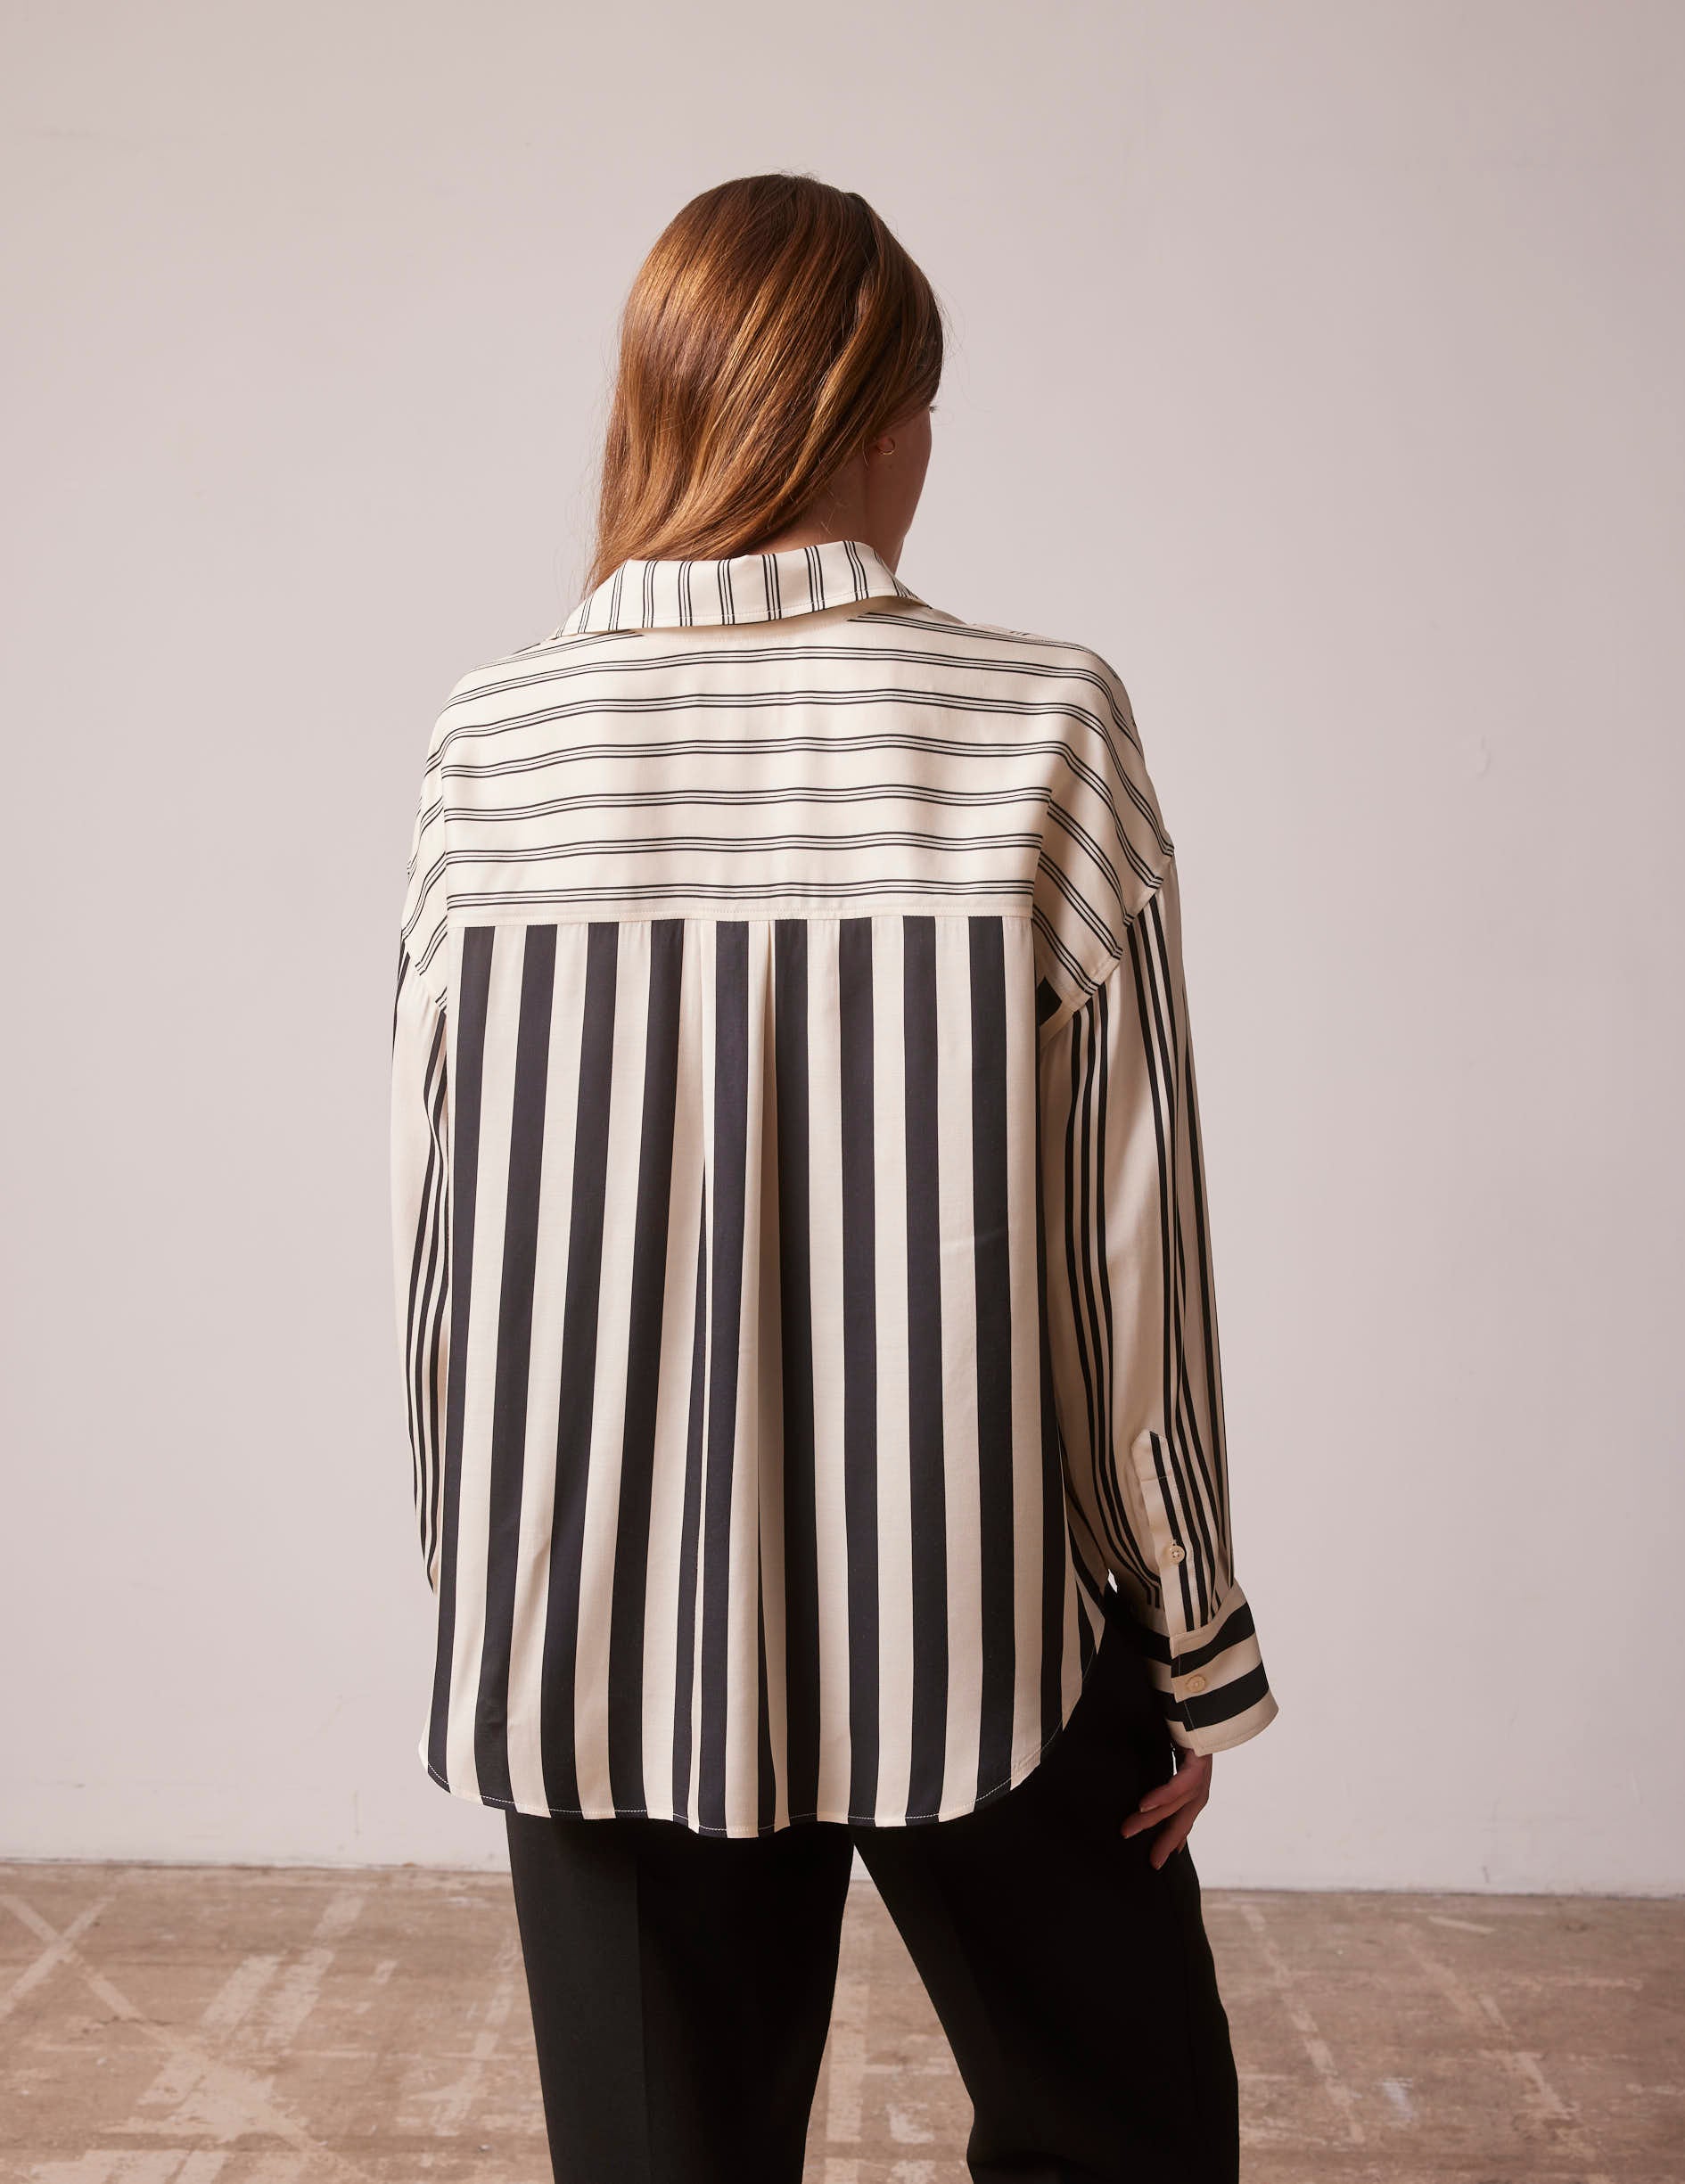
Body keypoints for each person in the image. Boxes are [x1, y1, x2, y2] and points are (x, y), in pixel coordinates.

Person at [390, 169, 1278, 2184]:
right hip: (987, 1611)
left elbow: (443, 1246)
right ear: (876, 417)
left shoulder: (491, 743)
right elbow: (1125, 1249)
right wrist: (1191, 1630)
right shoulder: (1043, 722)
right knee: (1131, 2134)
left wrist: (488, 1581)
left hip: (591, 1617)